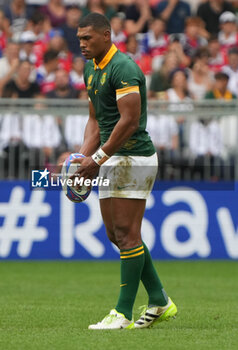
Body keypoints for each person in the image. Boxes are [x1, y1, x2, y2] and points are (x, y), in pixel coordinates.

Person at [72, 12, 177, 330]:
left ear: (107, 35)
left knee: (128, 234)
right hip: (111, 159)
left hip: (134, 158)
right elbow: (95, 120)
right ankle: (159, 300)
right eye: (79, 39)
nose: (82, 44)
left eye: (87, 38)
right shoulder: (91, 68)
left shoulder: (124, 68)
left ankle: (123, 313)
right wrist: (83, 157)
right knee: (115, 234)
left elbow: (129, 122)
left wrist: (98, 159)